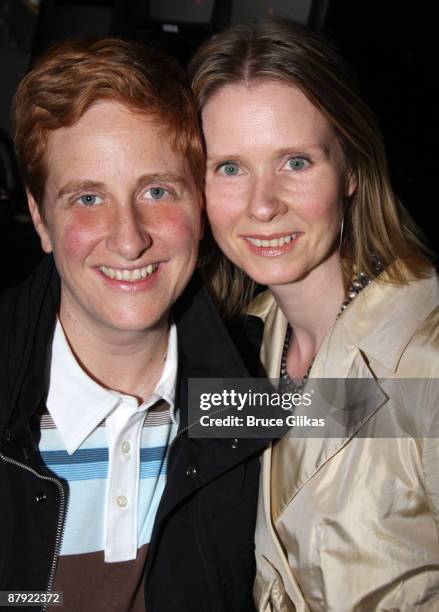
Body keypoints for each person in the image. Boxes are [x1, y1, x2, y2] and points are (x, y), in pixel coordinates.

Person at [0, 38, 267, 611]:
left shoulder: (250, 388)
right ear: (41, 219)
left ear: (201, 205)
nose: (129, 238)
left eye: (157, 190)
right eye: (88, 198)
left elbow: (402, 407)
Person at [189, 18, 439, 611]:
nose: (263, 204)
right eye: (230, 167)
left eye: (295, 162)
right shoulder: (240, 345)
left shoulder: (428, 355)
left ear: (351, 170)